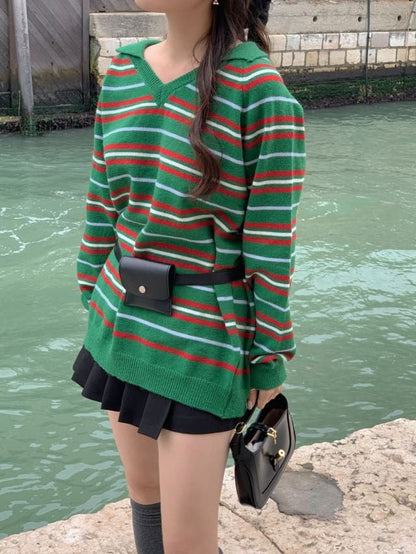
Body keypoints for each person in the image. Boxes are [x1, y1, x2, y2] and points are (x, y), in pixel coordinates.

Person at [72, 0, 305, 552]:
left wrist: (268, 354)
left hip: (204, 343)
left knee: (187, 543)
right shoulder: (124, 71)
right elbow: (103, 203)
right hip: (122, 320)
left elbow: (270, 246)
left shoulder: (259, 91)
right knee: (145, 495)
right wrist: (93, 291)